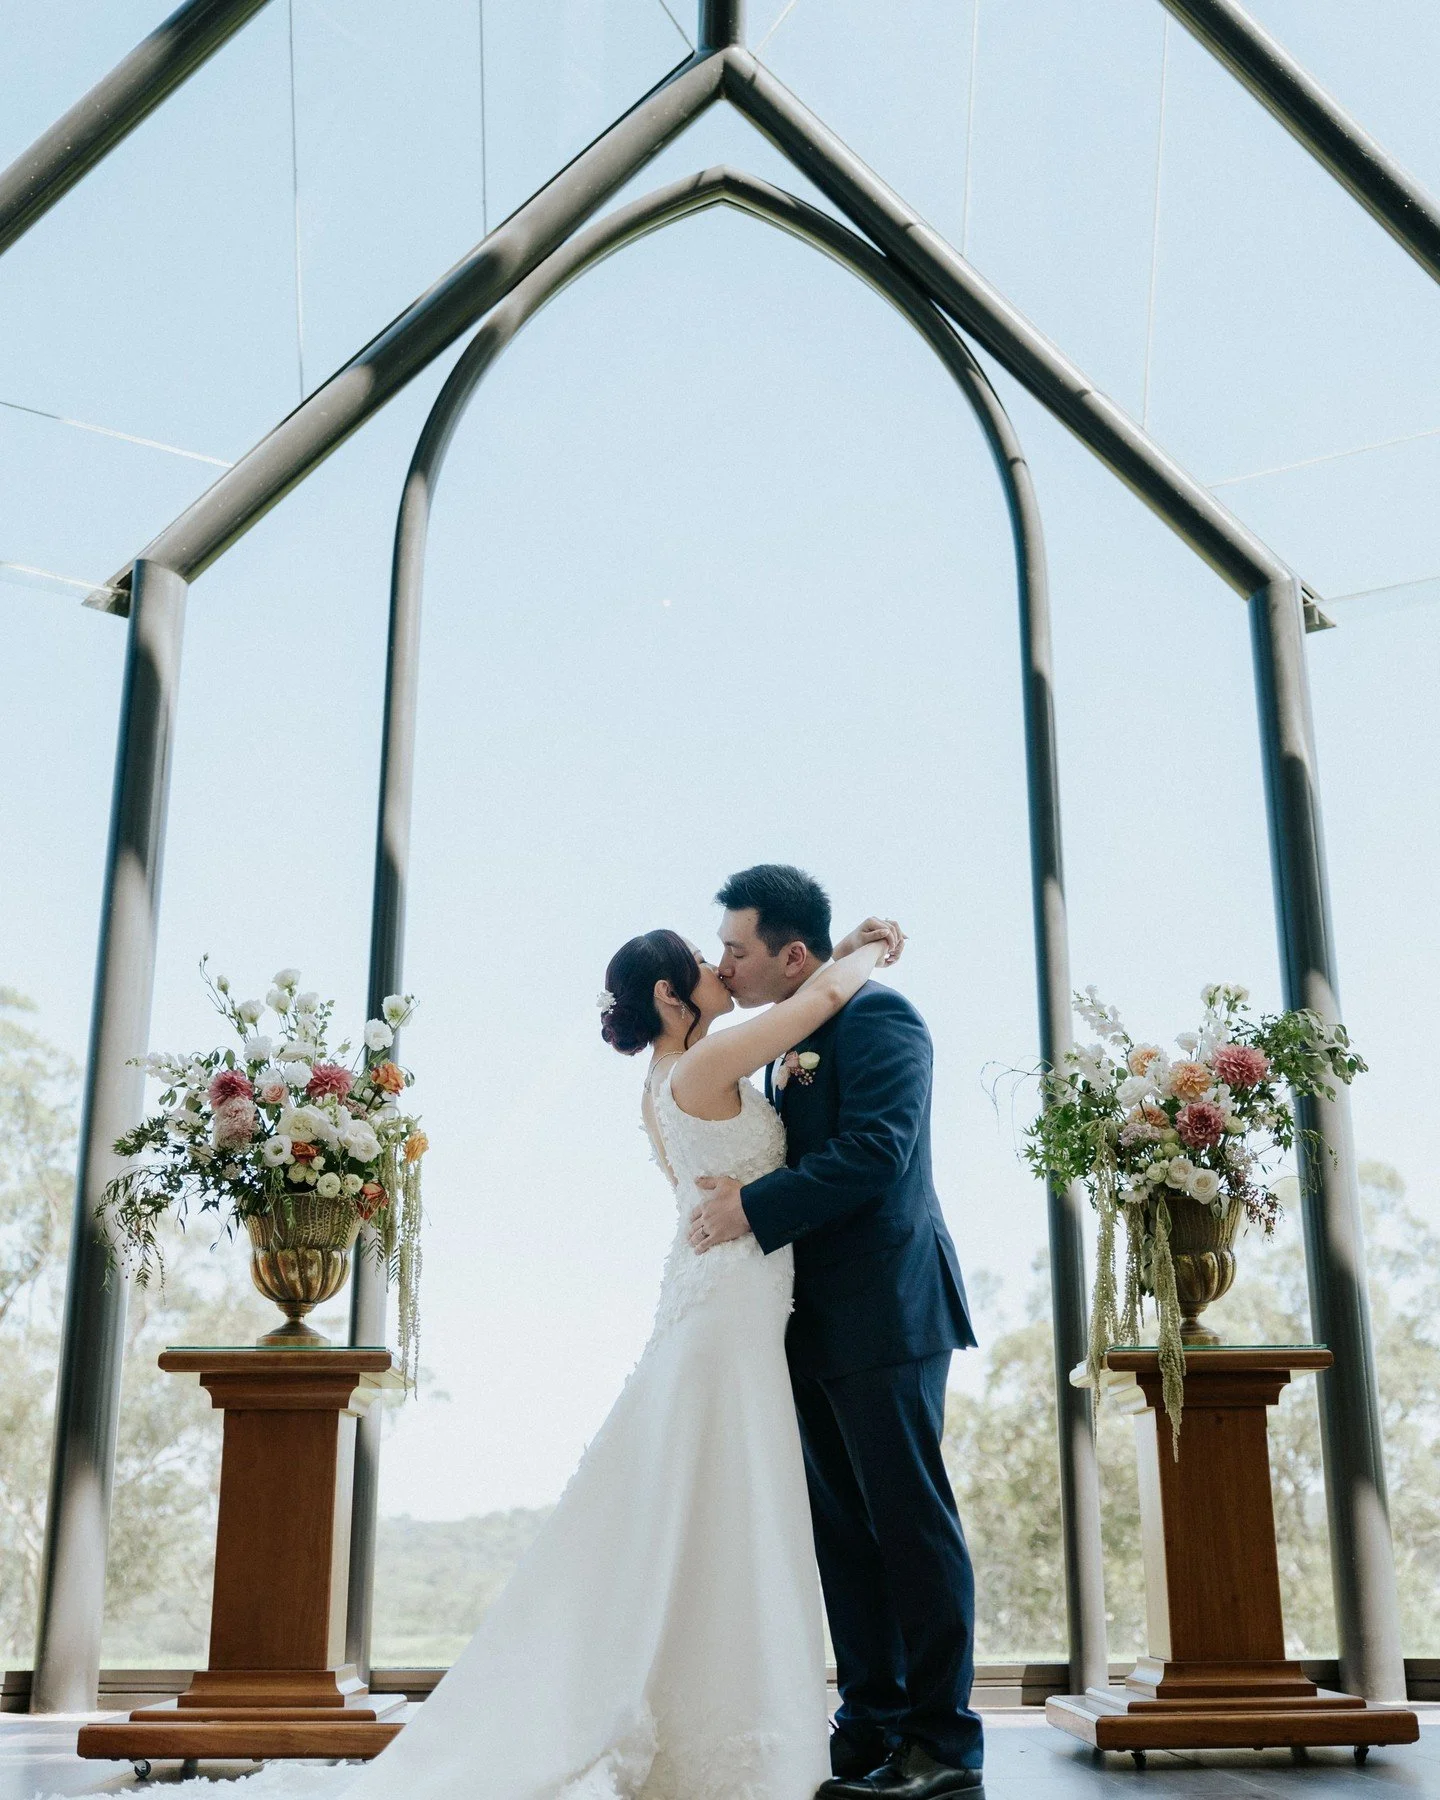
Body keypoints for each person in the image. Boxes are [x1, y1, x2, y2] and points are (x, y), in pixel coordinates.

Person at [125, 910, 905, 1800]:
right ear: (667, 993)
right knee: (732, 1497)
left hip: (718, 1303)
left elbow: (690, 1191)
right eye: (702, 961)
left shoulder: (659, 1085)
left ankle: (699, 1710)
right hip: (729, 1310)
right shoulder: (712, 1061)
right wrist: (870, 944)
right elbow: (831, 996)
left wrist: (745, 1194)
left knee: (709, 1500)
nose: (718, 967)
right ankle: (725, 1726)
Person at [690, 865, 982, 1800]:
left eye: (738, 949)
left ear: (795, 954)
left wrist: (752, 1209)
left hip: (888, 1309)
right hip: (808, 1322)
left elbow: (876, 1151)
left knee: (911, 1527)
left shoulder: (882, 1021)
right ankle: (872, 1726)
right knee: (845, 1536)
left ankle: (944, 1747)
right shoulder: (790, 1040)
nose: (725, 966)